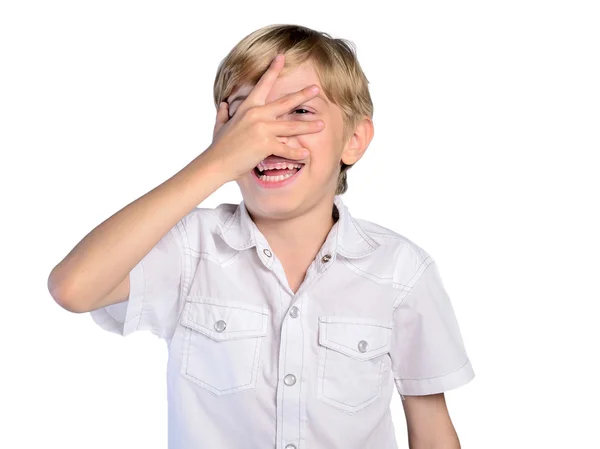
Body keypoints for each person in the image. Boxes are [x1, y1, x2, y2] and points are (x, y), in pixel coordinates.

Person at [48, 24, 475, 449]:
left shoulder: (400, 270)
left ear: (354, 140)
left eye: (300, 111)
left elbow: (433, 431)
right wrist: (216, 164)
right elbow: (74, 287)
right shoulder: (191, 250)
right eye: (246, 115)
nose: (268, 135)